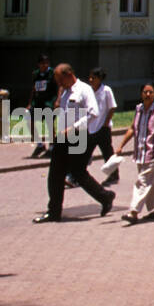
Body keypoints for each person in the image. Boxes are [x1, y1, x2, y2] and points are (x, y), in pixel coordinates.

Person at [32, 64, 115, 223]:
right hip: (63, 138)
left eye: (60, 79)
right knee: (55, 175)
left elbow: (94, 113)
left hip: (78, 136)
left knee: (78, 172)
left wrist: (73, 128)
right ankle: (54, 212)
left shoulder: (84, 89)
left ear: (69, 74)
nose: (59, 83)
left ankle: (105, 197)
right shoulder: (64, 92)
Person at [115, 83, 154, 224]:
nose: (148, 95)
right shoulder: (139, 108)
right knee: (150, 181)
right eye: (145, 92)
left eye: (151, 92)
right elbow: (132, 128)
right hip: (141, 150)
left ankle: (133, 211)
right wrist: (121, 145)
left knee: (143, 180)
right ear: (141, 93)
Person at [87, 68, 119, 186]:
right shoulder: (88, 91)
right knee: (85, 152)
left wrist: (106, 123)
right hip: (91, 127)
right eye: (90, 77)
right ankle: (78, 175)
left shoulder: (106, 90)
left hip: (103, 128)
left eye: (93, 78)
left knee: (107, 153)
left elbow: (112, 107)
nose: (90, 80)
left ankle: (114, 175)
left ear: (100, 79)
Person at [27, 53, 57, 158]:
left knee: (49, 123)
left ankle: (52, 146)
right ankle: (40, 144)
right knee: (29, 119)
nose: (44, 65)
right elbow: (34, 88)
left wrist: (57, 101)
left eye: (46, 63)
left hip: (49, 101)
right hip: (38, 101)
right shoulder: (36, 74)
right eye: (42, 63)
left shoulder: (53, 73)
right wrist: (30, 103)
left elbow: (59, 88)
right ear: (38, 64)